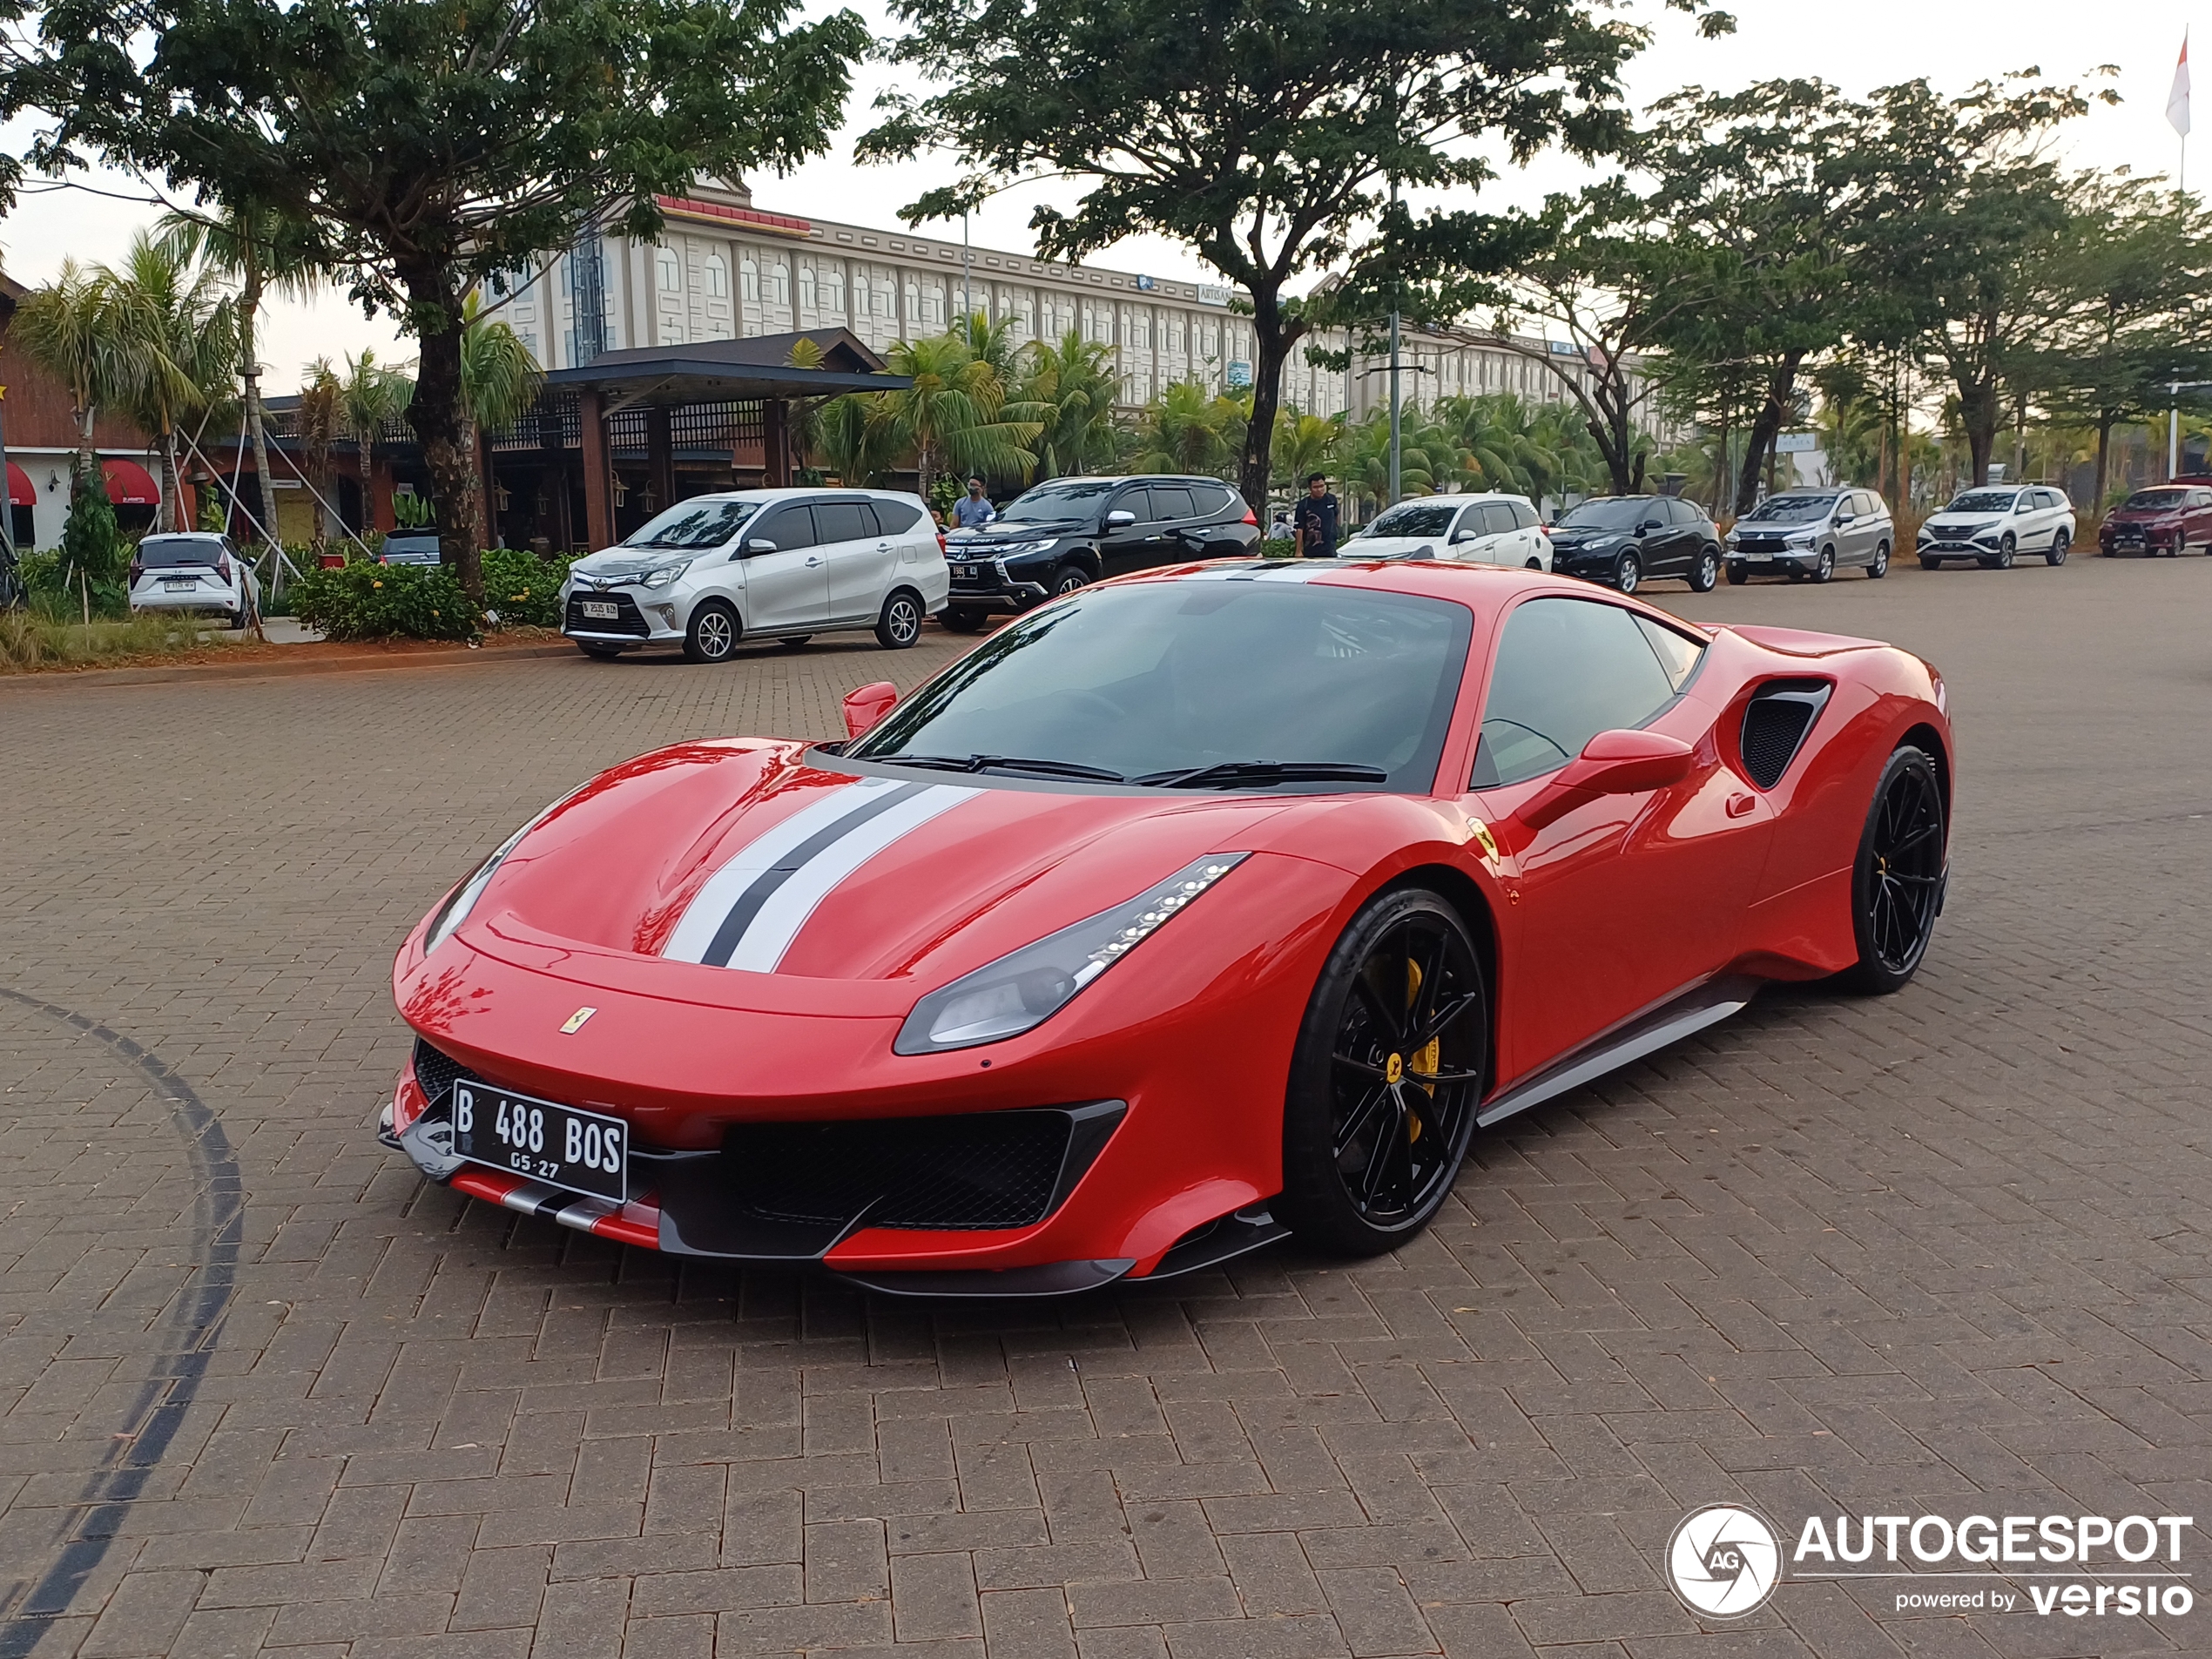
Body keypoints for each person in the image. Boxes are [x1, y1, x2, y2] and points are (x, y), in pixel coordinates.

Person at [1292, 473, 1339, 558]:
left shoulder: (1331, 500)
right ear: (1310, 488)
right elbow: (1299, 528)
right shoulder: (1304, 504)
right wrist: (1298, 550)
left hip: (1330, 548)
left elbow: (1336, 517)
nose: (1319, 490)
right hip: (1311, 549)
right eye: (1316, 487)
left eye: (1322, 486)